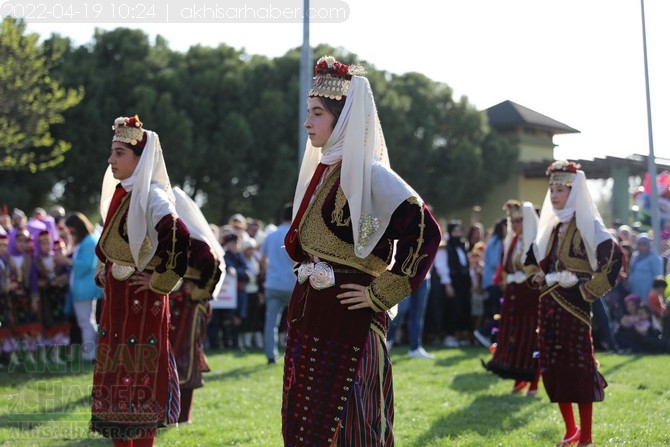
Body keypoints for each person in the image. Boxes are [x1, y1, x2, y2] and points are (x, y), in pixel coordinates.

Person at [282, 55, 441, 446]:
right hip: (311, 315)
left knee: (352, 423)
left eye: (317, 113)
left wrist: (379, 292)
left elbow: (425, 232)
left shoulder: (371, 174)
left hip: (349, 323)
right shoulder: (326, 171)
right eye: (309, 113)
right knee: (307, 423)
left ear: (344, 119)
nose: (308, 123)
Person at [91, 115, 190, 446]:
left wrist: (160, 280)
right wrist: (106, 269)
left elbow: (178, 235)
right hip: (118, 307)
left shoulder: (152, 195)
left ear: (140, 158)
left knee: (138, 384)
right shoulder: (127, 194)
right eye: (112, 152)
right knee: (119, 382)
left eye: (119, 153)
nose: (111, 160)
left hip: (141, 306)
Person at [524, 160, 623, 447]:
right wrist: (539, 278)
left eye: (560, 189)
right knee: (553, 368)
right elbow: (529, 260)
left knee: (578, 368)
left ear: (574, 191)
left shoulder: (588, 225)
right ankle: (570, 431)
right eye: (551, 189)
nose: (553, 195)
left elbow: (614, 258)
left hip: (575, 307)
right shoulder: (551, 228)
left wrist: (587, 288)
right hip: (549, 305)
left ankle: (587, 438)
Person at [169, 186, 225, 424]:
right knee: (167, 355)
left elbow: (215, 270)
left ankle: (182, 415)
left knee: (186, 357)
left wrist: (197, 289)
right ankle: (167, 411)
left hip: (192, 308)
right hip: (171, 307)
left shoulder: (200, 244)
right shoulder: (167, 237)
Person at [483, 200, 541, 396]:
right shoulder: (513, 241)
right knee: (515, 337)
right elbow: (507, 268)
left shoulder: (535, 242)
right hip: (513, 294)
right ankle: (518, 376)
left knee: (530, 337)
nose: (515, 225)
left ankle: (533, 380)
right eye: (513, 221)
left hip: (530, 294)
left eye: (519, 221)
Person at [64, 212, 103, 362]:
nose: (70, 233)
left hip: (84, 289)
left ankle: (89, 354)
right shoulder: (87, 241)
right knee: (86, 321)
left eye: (71, 229)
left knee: (86, 322)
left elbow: (87, 265)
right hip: (82, 288)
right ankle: (90, 353)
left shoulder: (90, 241)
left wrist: (67, 261)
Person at [260, 203, 295, 365]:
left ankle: (270, 355)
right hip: (292, 284)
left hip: (273, 283)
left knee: (271, 323)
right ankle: (294, 353)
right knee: (296, 322)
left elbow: (262, 260)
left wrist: (264, 275)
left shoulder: (271, 235)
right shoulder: (294, 234)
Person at [434, 220, 473, 347]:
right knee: (452, 309)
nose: (457, 234)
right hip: (452, 282)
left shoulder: (462, 246)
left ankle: (460, 335)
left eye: (459, 231)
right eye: (455, 231)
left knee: (463, 309)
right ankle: (448, 335)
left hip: (463, 283)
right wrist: (448, 284)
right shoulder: (445, 247)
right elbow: (442, 267)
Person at [473, 217, 506, 347]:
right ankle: (483, 332)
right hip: (493, 282)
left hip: (491, 282)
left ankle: (491, 337)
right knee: (499, 313)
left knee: (495, 313)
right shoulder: (496, 242)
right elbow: (493, 262)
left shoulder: (494, 241)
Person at [627, 233, 662, 302]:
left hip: (647, 290)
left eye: (644, 244)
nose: (641, 246)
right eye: (639, 244)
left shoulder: (654, 257)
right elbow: (631, 271)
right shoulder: (635, 256)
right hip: (634, 289)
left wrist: (654, 290)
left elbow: (658, 275)